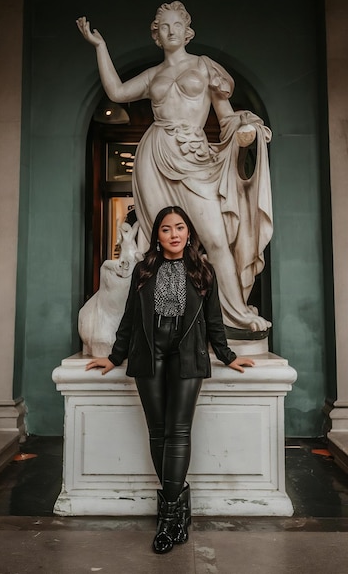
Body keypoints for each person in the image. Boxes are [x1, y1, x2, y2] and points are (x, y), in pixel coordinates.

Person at [76, 1, 273, 332]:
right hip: (154, 154)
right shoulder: (154, 74)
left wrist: (242, 133)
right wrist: (101, 47)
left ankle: (235, 314)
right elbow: (117, 91)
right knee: (161, 240)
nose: (170, 31)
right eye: (163, 26)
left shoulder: (205, 67)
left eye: (176, 26)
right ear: (156, 34)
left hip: (194, 155)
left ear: (187, 31)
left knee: (214, 238)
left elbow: (225, 119)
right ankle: (163, 319)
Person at [85, 205, 254, 554]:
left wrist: (228, 356)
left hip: (187, 353)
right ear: (157, 235)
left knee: (178, 430)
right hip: (149, 352)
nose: (174, 234)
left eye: (179, 228)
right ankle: (179, 508)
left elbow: (214, 320)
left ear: (189, 232)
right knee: (158, 431)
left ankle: (168, 519)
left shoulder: (203, 271)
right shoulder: (144, 269)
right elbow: (130, 317)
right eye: (166, 229)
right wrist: (115, 356)